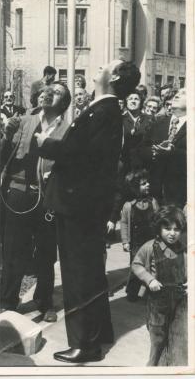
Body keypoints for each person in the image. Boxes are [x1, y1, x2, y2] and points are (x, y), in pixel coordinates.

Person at [35, 60, 141, 363]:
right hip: (84, 206)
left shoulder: (103, 111)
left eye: (108, 65)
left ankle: (85, 344)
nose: (101, 66)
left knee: (78, 275)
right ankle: (99, 333)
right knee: (90, 273)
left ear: (115, 76)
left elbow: (82, 156)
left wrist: (47, 145)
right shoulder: (104, 110)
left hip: (79, 207)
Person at [0, 82, 70, 321]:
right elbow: (3, 155)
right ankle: (8, 300)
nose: (49, 94)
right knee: (13, 249)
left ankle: (45, 300)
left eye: (57, 92)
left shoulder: (68, 130)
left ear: (64, 103)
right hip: (18, 192)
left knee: (47, 251)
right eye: (46, 90)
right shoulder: (22, 121)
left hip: (47, 197)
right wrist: (6, 134)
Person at [132, 205, 187, 366]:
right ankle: (153, 366)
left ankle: (172, 366)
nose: (172, 233)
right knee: (158, 337)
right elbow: (137, 265)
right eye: (167, 228)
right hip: (157, 302)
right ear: (159, 228)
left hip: (179, 301)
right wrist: (150, 280)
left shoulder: (183, 249)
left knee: (178, 336)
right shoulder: (150, 247)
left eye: (176, 229)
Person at [120, 169, 159, 301]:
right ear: (135, 188)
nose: (148, 184)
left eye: (148, 182)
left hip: (151, 241)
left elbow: (159, 220)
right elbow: (124, 224)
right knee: (136, 266)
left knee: (152, 266)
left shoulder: (152, 202)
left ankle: (149, 292)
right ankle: (132, 291)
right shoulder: (129, 206)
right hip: (136, 243)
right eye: (143, 183)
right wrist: (125, 241)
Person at [121, 90, 153, 173]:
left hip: (144, 165)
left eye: (136, 99)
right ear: (126, 102)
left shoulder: (149, 119)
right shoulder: (119, 119)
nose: (133, 101)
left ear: (141, 102)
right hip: (124, 164)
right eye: (130, 99)